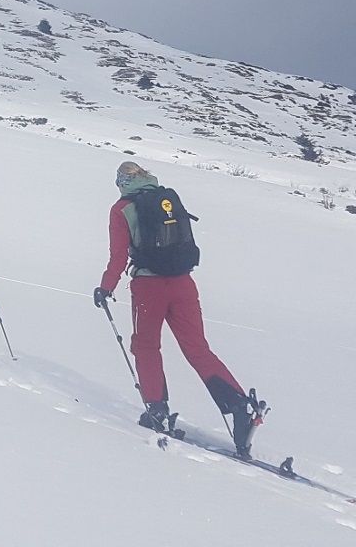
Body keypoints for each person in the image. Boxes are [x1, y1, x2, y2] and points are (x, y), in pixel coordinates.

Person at [95, 160, 263, 455]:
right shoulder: (166, 199)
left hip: (149, 288)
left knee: (146, 347)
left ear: (122, 181)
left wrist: (105, 287)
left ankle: (157, 412)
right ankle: (239, 405)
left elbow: (118, 257)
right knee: (198, 349)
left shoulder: (121, 209)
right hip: (184, 284)